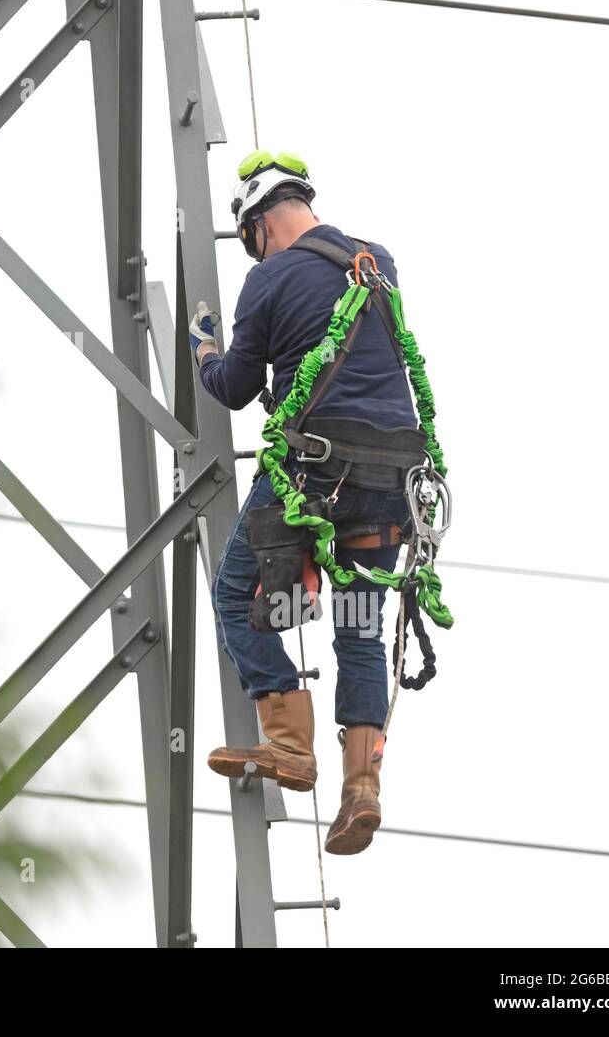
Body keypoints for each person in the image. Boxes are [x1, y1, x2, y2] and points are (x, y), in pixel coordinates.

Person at [188, 150, 426, 856]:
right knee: (358, 625)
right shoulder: (375, 261)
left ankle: (289, 743)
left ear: (258, 224)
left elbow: (235, 386)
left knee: (237, 596)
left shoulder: (267, 278)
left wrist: (205, 349)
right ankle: (363, 787)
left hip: (314, 476)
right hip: (393, 478)